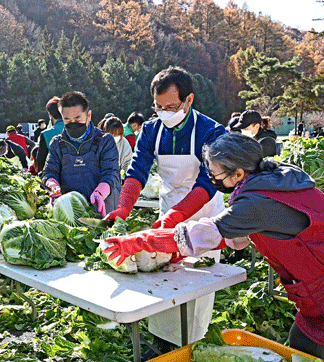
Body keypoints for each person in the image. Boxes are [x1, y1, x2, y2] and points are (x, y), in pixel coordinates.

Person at [105, 132, 324, 362]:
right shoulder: (274, 179)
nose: (213, 179)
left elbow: (201, 235)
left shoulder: (257, 202)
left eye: (216, 174)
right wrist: (176, 249)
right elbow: (231, 235)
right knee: (303, 342)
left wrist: (141, 241)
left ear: (238, 173)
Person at [105, 66, 227, 358]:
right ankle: (161, 343)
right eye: (158, 107)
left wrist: (174, 219)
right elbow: (137, 171)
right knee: (161, 279)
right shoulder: (151, 129)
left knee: (196, 283)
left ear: (188, 100)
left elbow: (207, 184)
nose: (163, 112)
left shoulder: (211, 131)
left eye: (171, 107)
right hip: (169, 206)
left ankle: (189, 346)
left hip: (203, 216)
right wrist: (122, 208)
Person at [43, 91, 121, 216]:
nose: (73, 123)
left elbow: (111, 172)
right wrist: (52, 184)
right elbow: (49, 172)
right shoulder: (57, 143)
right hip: (70, 213)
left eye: (77, 118)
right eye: (67, 120)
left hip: (102, 211)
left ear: (89, 115)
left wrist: (101, 192)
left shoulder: (105, 140)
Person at [36, 96, 64, 173]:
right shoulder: (77, 129)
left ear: (50, 114)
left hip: (54, 178)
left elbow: (40, 162)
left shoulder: (45, 134)